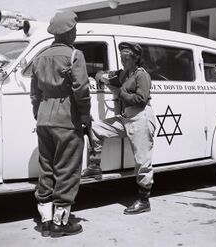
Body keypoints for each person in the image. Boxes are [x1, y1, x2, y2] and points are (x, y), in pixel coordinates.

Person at [30, 10, 91, 237]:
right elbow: (81, 90)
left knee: (46, 168)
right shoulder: (75, 55)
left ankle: (45, 221)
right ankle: (60, 224)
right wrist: (85, 116)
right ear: (69, 32)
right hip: (67, 120)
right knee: (66, 170)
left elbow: (34, 93)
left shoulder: (40, 55)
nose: (75, 33)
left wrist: (39, 114)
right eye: (74, 30)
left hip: (44, 119)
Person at [82, 42, 157, 214]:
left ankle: (144, 200)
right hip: (126, 117)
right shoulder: (125, 73)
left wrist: (120, 92)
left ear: (136, 58)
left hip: (141, 118)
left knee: (142, 161)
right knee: (95, 128)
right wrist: (99, 76)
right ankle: (95, 165)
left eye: (126, 58)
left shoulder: (141, 75)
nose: (123, 61)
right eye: (122, 57)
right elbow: (106, 76)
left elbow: (141, 99)